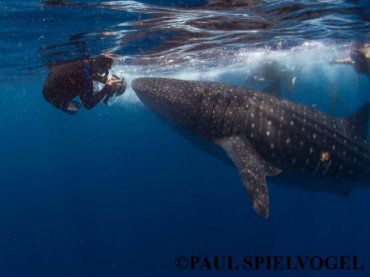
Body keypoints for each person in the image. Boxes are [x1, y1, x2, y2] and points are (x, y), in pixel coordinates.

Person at [42, 54, 126, 114]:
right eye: (106, 69)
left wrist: (104, 81)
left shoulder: (83, 63)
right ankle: (62, 105)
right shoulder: (85, 77)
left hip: (48, 88)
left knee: (81, 86)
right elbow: (88, 104)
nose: (105, 72)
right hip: (54, 98)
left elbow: (84, 74)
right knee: (77, 108)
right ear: (101, 66)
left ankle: (62, 104)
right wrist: (107, 87)